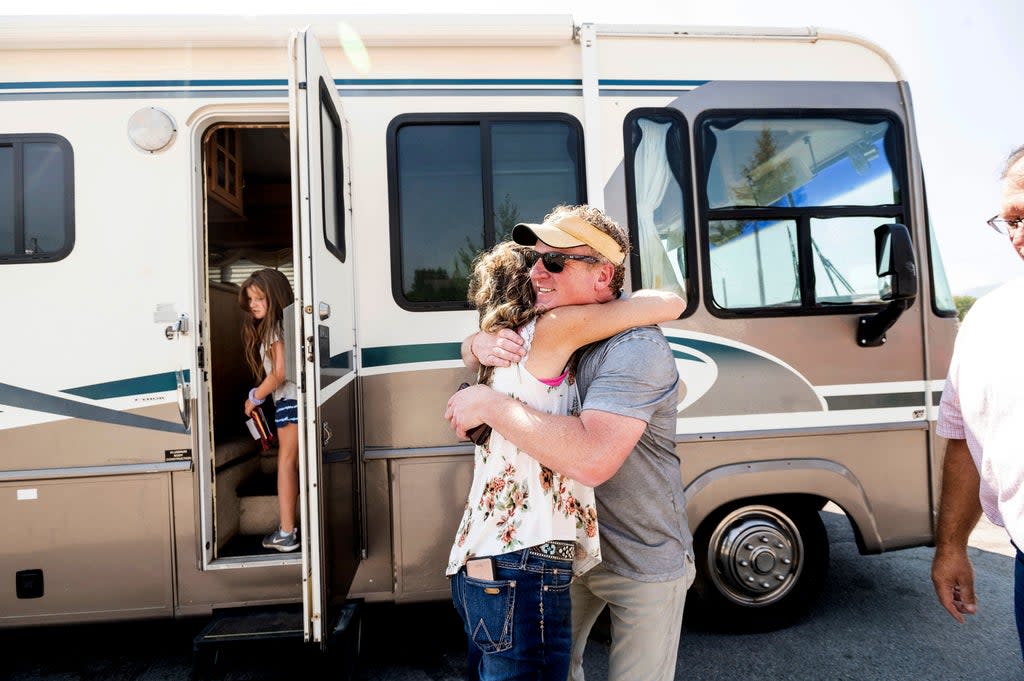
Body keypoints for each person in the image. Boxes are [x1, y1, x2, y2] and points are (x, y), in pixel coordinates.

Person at [446, 204, 695, 681]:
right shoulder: (536, 330)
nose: (537, 271)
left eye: (556, 262)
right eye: (532, 260)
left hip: (640, 554)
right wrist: (475, 344)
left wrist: (488, 402)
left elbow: (593, 458)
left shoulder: (633, 347)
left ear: (604, 274)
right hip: (570, 549)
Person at [931, 144, 1024, 658]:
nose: (1018, 237)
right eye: (1011, 221)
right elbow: (963, 437)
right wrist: (951, 547)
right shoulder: (987, 320)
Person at [239, 268, 301, 553]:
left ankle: (287, 532)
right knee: (292, 463)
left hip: (289, 401)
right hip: (294, 400)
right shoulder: (286, 325)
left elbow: (279, 373)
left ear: (274, 298)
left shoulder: (275, 328)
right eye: (250, 299)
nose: (253, 304)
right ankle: (290, 527)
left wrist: (256, 397)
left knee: (286, 463)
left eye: (259, 298)